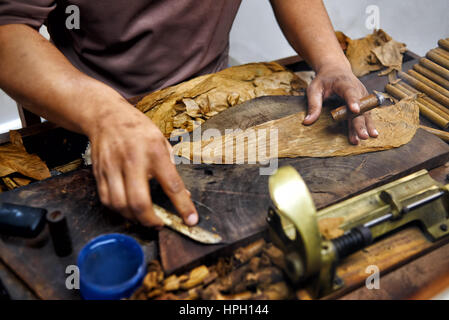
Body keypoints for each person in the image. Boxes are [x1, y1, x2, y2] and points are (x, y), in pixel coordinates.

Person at [0, 0, 377, 228]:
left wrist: (330, 61)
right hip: (88, 110)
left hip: (214, 93)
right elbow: (8, 28)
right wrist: (104, 113)